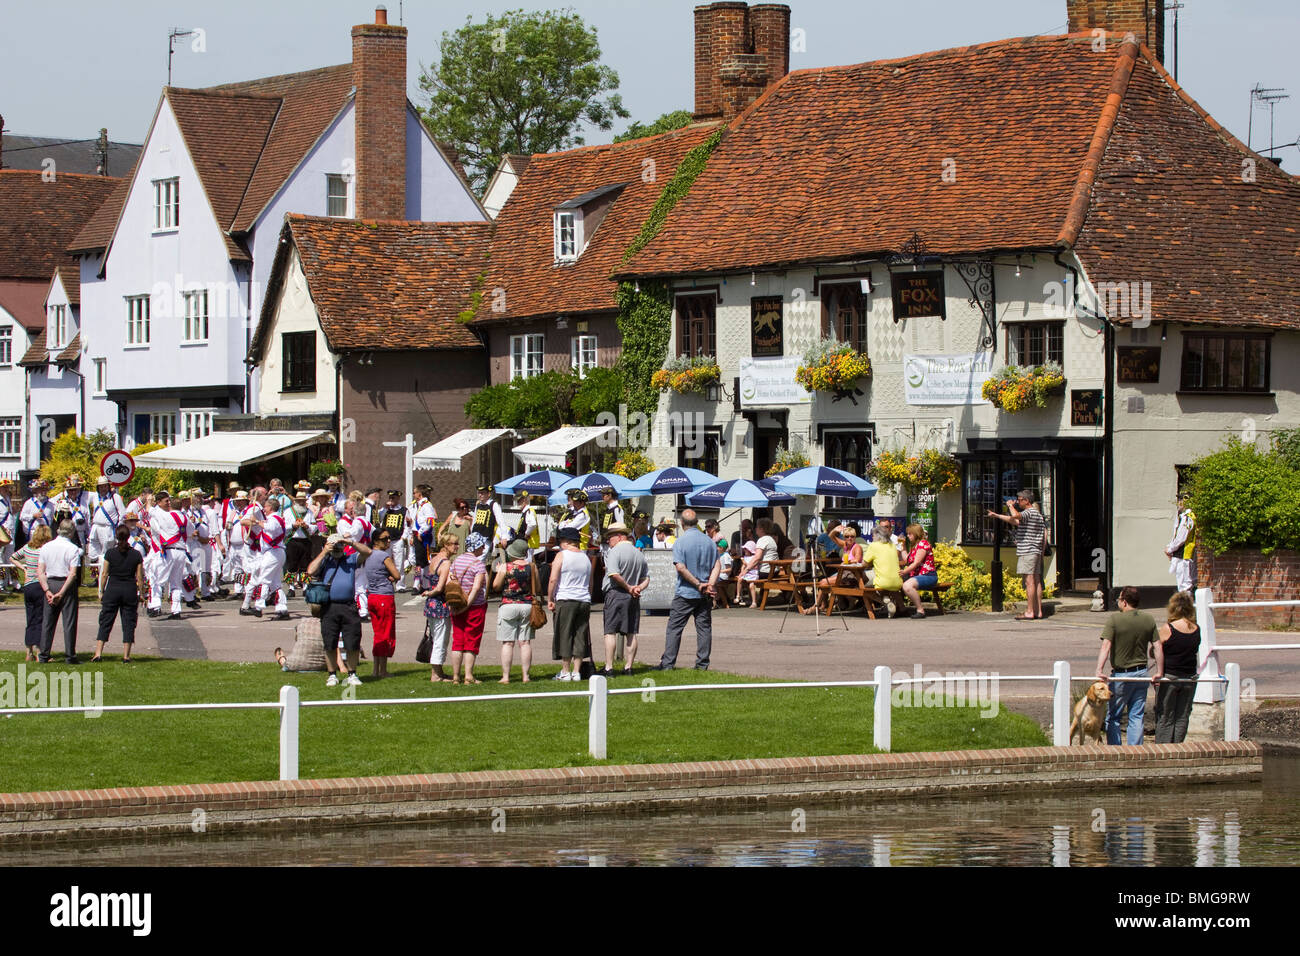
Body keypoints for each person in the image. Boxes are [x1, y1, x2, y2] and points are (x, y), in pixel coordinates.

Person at [654, 510, 721, 671]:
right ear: (697, 522)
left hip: (686, 592)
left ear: (682, 524)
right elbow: (717, 565)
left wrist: (698, 584)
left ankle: (668, 664)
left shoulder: (680, 542)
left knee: (674, 628)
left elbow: (681, 567)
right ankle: (702, 664)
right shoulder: (709, 541)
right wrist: (709, 585)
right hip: (704, 593)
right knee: (704, 629)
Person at [1096, 585, 1163, 746]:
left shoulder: (1114, 619)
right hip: (1141, 673)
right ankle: (1136, 752)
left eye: (1119, 599)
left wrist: (1099, 669)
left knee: (1113, 716)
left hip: (1121, 675)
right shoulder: (1148, 619)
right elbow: (1158, 646)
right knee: (1136, 715)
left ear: (1124, 602)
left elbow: (1106, 646)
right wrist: (1160, 671)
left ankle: (1115, 751)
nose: (1118, 602)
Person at [307, 532, 373, 687]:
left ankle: (352, 673)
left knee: (352, 642)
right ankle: (332, 675)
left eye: (339, 545)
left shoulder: (350, 559)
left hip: (348, 605)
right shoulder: (325, 560)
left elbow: (367, 552)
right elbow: (310, 571)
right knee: (329, 642)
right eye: (335, 545)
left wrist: (349, 542)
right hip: (329, 606)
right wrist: (324, 551)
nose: (337, 548)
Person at [988, 489, 1046, 621]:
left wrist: (1010, 505)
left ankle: (1030, 611)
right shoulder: (1036, 514)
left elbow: (1015, 516)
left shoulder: (1028, 512)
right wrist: (997, 515)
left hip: (1027, 551)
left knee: (1029, 581)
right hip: (1035, 551)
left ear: (1026, 501)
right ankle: (1038, 611)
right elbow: (1013, 520)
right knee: (1036, 581)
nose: (1018, 502)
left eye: (1020, 500)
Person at [1153, 590, 1201, 743]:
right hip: (1190, 677)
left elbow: (1156, 649)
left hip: (1170, 677)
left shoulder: (1169, 628)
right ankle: (1178, 747)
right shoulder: (1196, 628)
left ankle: (1163, 750)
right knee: (1182, 716)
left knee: (1165, 715)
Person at [600, 523, 648, 676]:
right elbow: (646, 578)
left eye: (610, 537)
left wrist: (628, 587)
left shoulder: (615, 552)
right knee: (631, 632)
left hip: (616, 593)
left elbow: (614, 574)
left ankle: (609, 667)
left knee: (610, 631)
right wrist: (638, 588)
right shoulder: (639, 553)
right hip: (633, 596)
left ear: (620, 536)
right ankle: (629, 667)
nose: (608, 541)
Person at [95, 524, 145, 662]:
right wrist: (142, 593)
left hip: (113, 588)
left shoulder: (110, 553)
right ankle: (126, 655)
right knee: (129, 622)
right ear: (129, 537)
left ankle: (98, 652)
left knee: (106, 620)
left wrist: (101, 590)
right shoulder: (136, 554)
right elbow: (140, 577)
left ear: (116, 536)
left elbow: (104, 574)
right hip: (129, 588)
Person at [547, 526, 591, 681]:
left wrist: (550, 598)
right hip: (584, 599)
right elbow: (589, 581)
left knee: (564, 634)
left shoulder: (562, 555)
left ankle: (565, 671)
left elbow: (553, 578)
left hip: (566, 598)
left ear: (565, 541)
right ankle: (577, 671)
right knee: (580, 635)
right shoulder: (585, 557)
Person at [38, 520, 83, 664]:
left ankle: (44, 654)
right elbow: (73, 574)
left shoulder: (46, 547)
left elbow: (40, 571)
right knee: (69, 621)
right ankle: (70, 655)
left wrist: (47, 590)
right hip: (66, 585)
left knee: (48, 622)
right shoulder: (72, 548)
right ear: (71, 532)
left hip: (50, 582)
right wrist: (62, 592)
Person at [149, 490, 198, 620]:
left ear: (171, 506)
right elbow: (191, 532)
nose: (168, 503)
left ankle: (156, 606)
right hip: (181, 552)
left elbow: (151, 512)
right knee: (176, 583)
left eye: (168, 502)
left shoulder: (166, 516)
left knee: (159, 579)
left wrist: (149, 502)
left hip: (169, 551)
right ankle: (176, 611)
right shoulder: (184, 517)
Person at [493, 538, 537, 683]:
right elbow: (537, 587)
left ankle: (505, 676)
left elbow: (496, 586)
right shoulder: (532, 566)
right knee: (525, 642)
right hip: (527, 605)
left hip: (508, 604)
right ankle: (526, 676)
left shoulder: (506, 566)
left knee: (508, 643)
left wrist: (499, 572)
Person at [418, 531, 458, 682]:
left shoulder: (435, 559)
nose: (457, 546)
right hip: (440, 604)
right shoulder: (446, 563)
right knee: (441, 640)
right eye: (454, 543)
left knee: (436, 638)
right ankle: (435, 675)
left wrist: (428, 593)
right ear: (446, 545)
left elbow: (428, 580)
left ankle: (439, 672)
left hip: (431, 605)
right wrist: (430, 592)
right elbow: (440, 587)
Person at [449, 532, 489, 684]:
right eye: (481, 545)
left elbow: (451, 579)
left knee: (458, 640)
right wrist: (467, 605)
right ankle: (468, 676)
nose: (484, 547)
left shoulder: (457, 560)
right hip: (474, 607)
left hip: (456, 603)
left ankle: (455, 676)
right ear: (476, 546)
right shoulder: (478, 564)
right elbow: (477, 587)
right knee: (471, 640)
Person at [365, 529, 401, 678]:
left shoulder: (368, 555)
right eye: (385, 538)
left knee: (378, 634)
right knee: (385, 634)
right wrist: (392, 578)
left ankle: (376, 670)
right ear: (376, 540)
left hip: (372, 596)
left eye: (388, 538)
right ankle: (383, 670)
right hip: (384, 597)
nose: (388, 541)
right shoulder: (383, 556)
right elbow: (397, 575)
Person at [807, 524, 864, 614]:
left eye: (852, 536)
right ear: (844, 537)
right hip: (844, 574)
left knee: (823, 582)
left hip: (853, 577)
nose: (850, 538)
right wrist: (835, 530)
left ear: (855, 537)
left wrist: (846, 562)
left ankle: (818, 606)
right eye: (847, 536)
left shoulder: (857, 547)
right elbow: (831, 536)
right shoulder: (845, 545)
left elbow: (857, 560)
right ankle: (819, 606)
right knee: (822, 582)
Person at [15, 525, 52, 661]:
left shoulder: (27, 548)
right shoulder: (45, 550)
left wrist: (24, 568)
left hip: (28, 586)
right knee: (40, 619)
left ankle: (28, 651)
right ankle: (39, 652)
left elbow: (13, 557)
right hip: (40, 586)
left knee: (30, 619)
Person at [860, 527, 905, 617]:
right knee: (886, 584)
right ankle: (901, 608)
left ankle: (886, 603)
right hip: (898, 581)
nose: (872, 537)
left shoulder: (874, 545)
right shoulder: (892, 545)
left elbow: (864, 564)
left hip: (883, 582)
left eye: (872, 536)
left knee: (862, 586)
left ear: (877, 536)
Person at [899, 523, 939, 619]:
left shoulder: (923, 544)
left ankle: (920, 610)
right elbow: (906, 559)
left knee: (907, 585)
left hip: (928, 575)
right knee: (895, 582)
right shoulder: (915, 546)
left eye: (910, 534)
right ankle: (900, 608)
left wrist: (905, 571)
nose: (908, 536)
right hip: (917, 576)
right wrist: (903, 547)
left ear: (916, 533)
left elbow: (916, 563)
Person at [375, 490, 409, 592]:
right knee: (386, 561)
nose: (391, 500)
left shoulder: (404, 510)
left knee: (399, 562)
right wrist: (385, 508)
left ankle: (400, 585)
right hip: (386, 540)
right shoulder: (385, 510)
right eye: (390, 498)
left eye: (393, 498)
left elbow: (407, 525)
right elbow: (379, 519)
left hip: (398, 539)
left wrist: (404, 537)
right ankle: (386, 583)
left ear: (398, 498)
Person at [1165, 494, 1197, 594]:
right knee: (1185, 584)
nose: (1178, 502)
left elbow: (1181, 538)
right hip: (1183, 554)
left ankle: (1186, 608)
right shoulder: (1183, 515)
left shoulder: (1187, 517)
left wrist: (1170, 549)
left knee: (1184, 586)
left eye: (1180, 499)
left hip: (1184, 555)